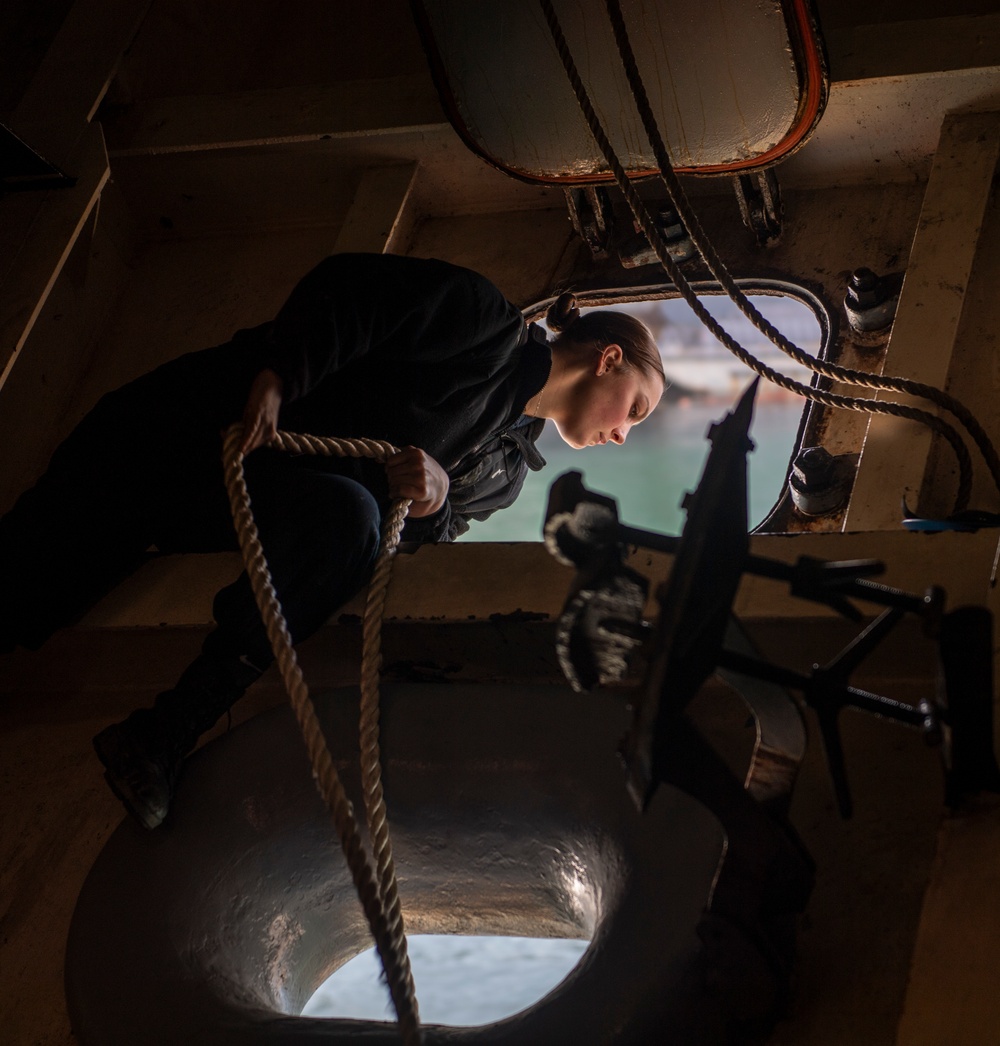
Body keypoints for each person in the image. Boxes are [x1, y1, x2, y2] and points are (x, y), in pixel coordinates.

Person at [0, 252, 665, 828]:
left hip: (263, 508)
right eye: (634, 408)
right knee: (28, 586)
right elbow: (350, 294)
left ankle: (163, 733)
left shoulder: (505, 472)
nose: (622, 434)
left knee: (350, 523)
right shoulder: (480, 320)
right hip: (179, 435)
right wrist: (278, 378)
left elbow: (423, 534)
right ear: (609, 359)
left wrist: (433, 502)